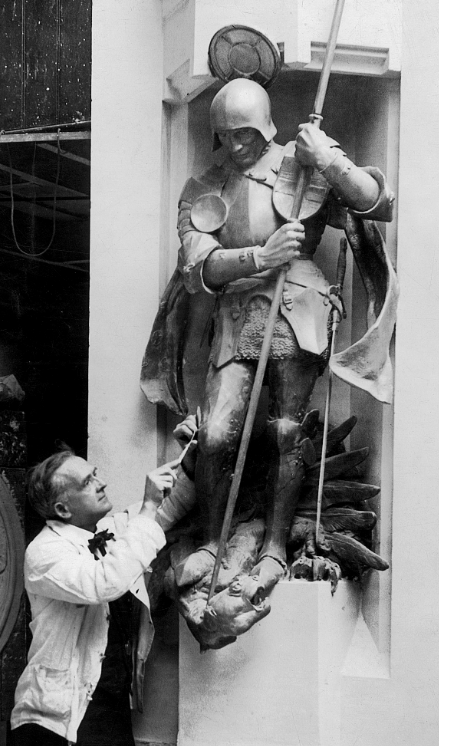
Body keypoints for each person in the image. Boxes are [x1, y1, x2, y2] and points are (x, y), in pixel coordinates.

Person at [172, 77, 394, 600]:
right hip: (237, 313)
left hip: (299, 309)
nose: (236, 144)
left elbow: (376, 202)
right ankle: (210, 542)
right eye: (226, 135)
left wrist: (329, 157)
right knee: (219, 433)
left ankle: (274, 547)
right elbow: (194, 263)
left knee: (287, 432)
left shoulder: (301, 162)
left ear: (265, 125)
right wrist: (259, 256)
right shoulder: (204, 185)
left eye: (245, 132)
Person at [8, 435, 198, 746]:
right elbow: (103, 582)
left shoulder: (105, 533)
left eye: (95, 473)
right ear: (62, 508)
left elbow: (168, 508)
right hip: (55, 719)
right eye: (87, 482)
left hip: (108, 708)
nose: (102, 483)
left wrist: (192, 456)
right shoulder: (43, 552)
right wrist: (149, 505)